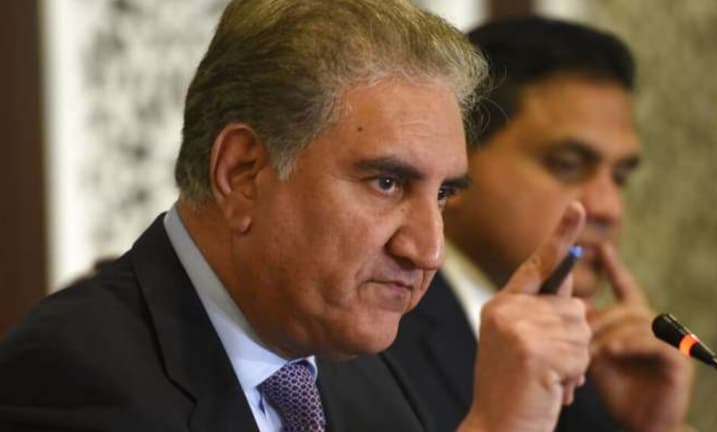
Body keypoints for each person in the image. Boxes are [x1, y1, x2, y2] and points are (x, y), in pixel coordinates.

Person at [0, 2, 595, 432]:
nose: (428, 250)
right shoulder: (71, 376)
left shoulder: (360, 366)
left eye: (441, 195)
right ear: (242, 173)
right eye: (387, 183)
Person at [389, 16, 695, 432]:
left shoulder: (596, 367)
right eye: (567, 165)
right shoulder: (375, 331)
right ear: (456, 166)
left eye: (619, 177)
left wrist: (653, 427)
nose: (608, 208)